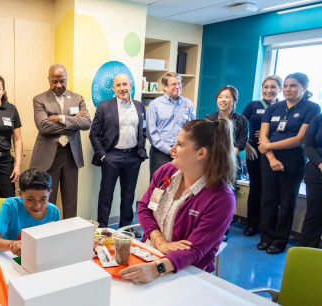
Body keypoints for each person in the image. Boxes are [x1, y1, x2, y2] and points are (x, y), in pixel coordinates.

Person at [120, 119, 236, 283]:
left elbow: (194, 250)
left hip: (186, 271)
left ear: (201, 154)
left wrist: (156, 268)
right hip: (149, 254)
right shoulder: (166, 172)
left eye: (180, 145)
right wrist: (160, 242)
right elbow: (145, 208)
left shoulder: (221, 199)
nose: (172, 149)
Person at [258, 72, 320, 254]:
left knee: (286, 200)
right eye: (285, 86)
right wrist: (271, 156)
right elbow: (263, 135)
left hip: (292, 158)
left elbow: (300, 139)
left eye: (293, 86)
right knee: (268, 198)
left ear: (305, 87)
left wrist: (269, 145)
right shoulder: (273, 108)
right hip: (268, 156)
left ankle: (279, 240)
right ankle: (265, 236)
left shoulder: (312, 108)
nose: (287, 89)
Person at [89, 74, 148, 237]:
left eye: (125, 85)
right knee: (106, 194)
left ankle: (126, 227)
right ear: (113, 88)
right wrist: (103, 156)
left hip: (133, 157)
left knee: (129, 195)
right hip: (111, 157)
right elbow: (94, 134)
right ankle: (102, 229)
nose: (122, 88)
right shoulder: (104, 106)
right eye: (118, 85)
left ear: (131, 86)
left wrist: (140, 151)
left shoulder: (139, 106)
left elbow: (143, 130)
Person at [30, 64, 91, 219]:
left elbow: (86, 123)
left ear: (67, 79)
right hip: (49, 156)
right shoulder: (40, 99)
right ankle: (46, 233)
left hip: (71, 155)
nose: (58, 85)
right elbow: (43, 127)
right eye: (54, 81)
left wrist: (61, 118)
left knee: (71, 200)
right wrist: (73, 122)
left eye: (62, 81)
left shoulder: (78, 98)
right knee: (47, 199)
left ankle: (69, 234)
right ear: (49, 79)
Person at [241, 75, 282, 236]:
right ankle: (252, 224)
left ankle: (269, 226)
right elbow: (239, 127)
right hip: (254, 152)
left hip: (276, 152)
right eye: (265, 87)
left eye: (273, 87)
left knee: (272, 191)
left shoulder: (283, 107)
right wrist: (248, 146)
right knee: (256, 188)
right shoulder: (253, 105)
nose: (269, 90)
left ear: (279, 89)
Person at [0, 168, 61, 256]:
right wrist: (12, 245)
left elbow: (56, 241)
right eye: (30, 199)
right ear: (20, 194)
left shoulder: (54, 211)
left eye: (43, 199)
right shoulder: (10, 206)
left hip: (38, 256)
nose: (37, 205)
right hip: (10, 257)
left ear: (49, 194)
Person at [205, 85, 247, 241]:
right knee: (209, 193)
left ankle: (223, 228)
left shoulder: (241, 120)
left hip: (230, 163)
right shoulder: (210, 118)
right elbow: (206, 140)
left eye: (227, 96)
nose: (223, 100)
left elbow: (242, 141)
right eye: (220, 96)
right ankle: (208, 226)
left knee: (226, 196)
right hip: (211, 161)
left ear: (234, 100)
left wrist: (229, 154)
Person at [147, 72, 196, 180]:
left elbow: (193, 129)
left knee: (181, 184)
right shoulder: (155, 104)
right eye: (174, 84)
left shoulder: (188, 104)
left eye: (179, 83)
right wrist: (168, 150)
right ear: (164, 86)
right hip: (161, 152)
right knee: (158, 186)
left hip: (183, 153)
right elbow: (151, 133)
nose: (178, 86)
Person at [300, 112, 322, 248]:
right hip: (315, 172)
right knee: (313, 216)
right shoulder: (318, 118)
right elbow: (308, 146)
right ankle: (304, 256)